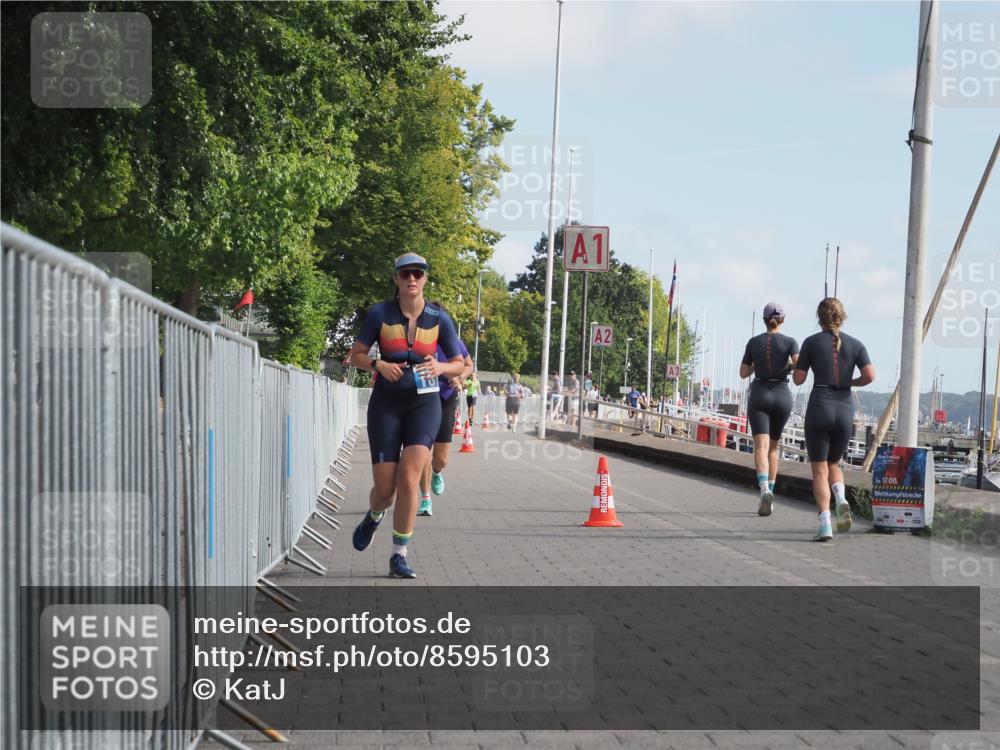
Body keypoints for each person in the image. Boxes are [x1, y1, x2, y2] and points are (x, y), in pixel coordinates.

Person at [347, 253, 465, 578]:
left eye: (418, 273)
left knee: (410, 478)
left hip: (424, 404)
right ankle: (373, 516)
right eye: (405, 274)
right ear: (396, 279)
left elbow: (461, 363)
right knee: (385, 491)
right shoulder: (380, 314)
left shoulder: (439, 318)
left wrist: (441, 366)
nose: (411, 279)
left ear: (425, 278)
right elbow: (355, 354)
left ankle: (399, 554)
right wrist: (377, 364)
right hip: (386, 404)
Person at [793, 298, 875, 542]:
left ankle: (825, 524)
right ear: (842, 316)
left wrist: (796, 365)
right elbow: (870, 375)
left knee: (819, 470)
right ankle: (840, 498)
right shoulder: (856, 344)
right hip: (844, 409)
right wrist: (850, 382)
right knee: (833, 464)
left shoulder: (811, 342)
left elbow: (798, 379)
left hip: (820, 405)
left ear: (820, 318)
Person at [739, 302, 799, 517]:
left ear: (765, 320)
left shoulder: (754, 342)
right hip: (782, 395)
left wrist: (757, 363)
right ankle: (771, 493)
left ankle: (763, 489)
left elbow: (743, 373)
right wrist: (788, 367)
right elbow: (798, 367)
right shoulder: (790, 342)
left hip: (760, 394)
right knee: (774, 448)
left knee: (760, 447)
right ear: (782, 320)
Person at [418, 309, 474, 517]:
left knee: (440, 459)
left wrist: (459, 378)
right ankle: (425, 499)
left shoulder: (454, 342)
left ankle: (437, 472)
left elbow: (468, 365)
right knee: (422, 451)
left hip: (446, 399)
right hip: (422, 400)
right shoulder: (417, 340)